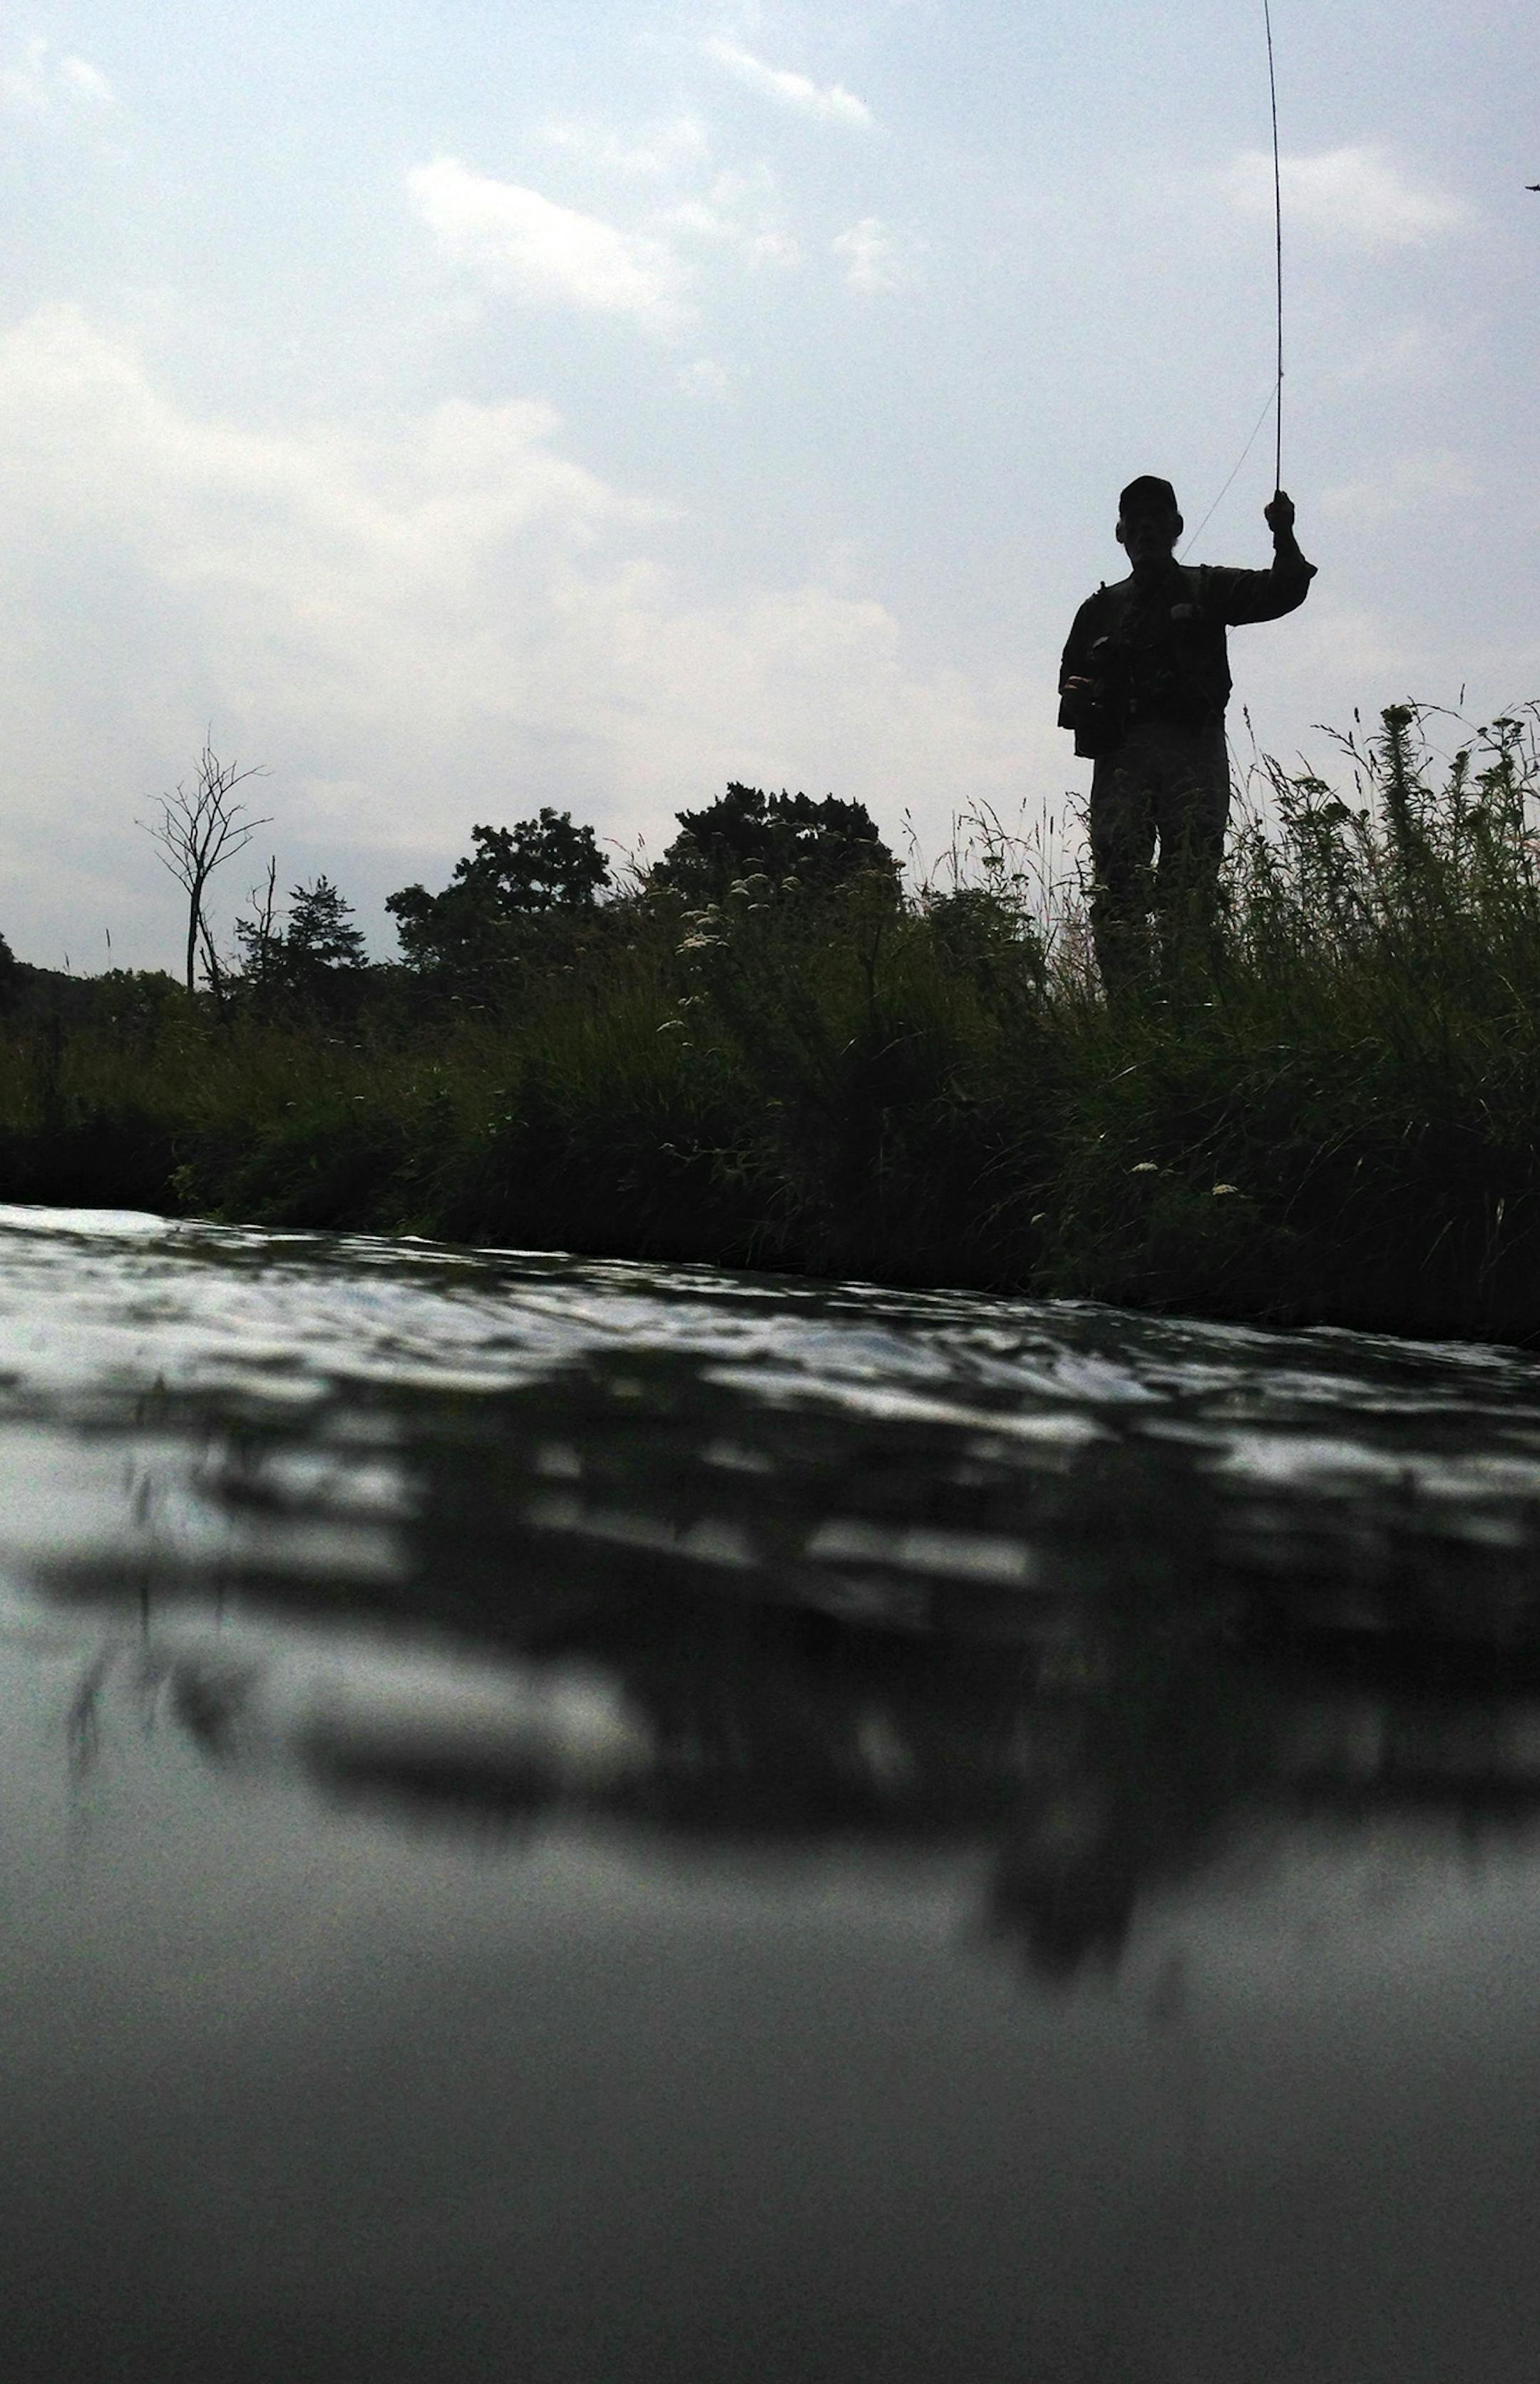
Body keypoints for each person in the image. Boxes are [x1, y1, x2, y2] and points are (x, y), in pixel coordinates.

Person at [1058, 476, 1315, 992]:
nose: (1146, 525)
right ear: (1120, 532)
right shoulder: (1097, 610)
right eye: (1136, 518)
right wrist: (1088, 695)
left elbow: (1285, 588)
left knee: (1190, 885)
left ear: (1176, 527)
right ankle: (1129, 1012)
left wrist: (1283, 533)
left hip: (1192, 748)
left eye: (1157, 516)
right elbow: (1068, 701)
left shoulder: (1207, 587)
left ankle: (1190, 1006)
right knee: (1118, 888)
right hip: (1122, 756)